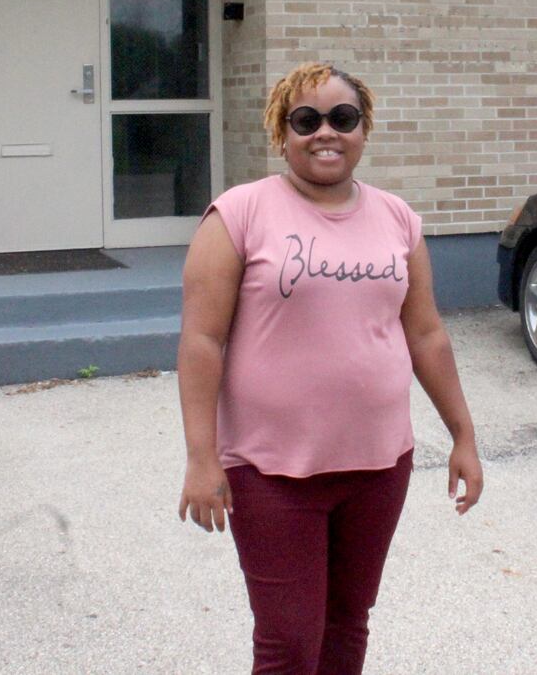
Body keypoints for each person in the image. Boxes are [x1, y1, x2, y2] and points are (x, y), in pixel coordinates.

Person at [177, 61, 483, 675]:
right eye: (306, 120)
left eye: (343, 119)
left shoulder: (398, 219)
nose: (326, 133)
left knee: (347, 626)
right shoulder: (239, 214)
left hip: (379, 467)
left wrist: (463, 436)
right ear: (281, 132)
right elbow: (202, 341)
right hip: (272, 472)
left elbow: (425, 334)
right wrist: (201, 456)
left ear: (363, 129)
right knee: (289, 643)